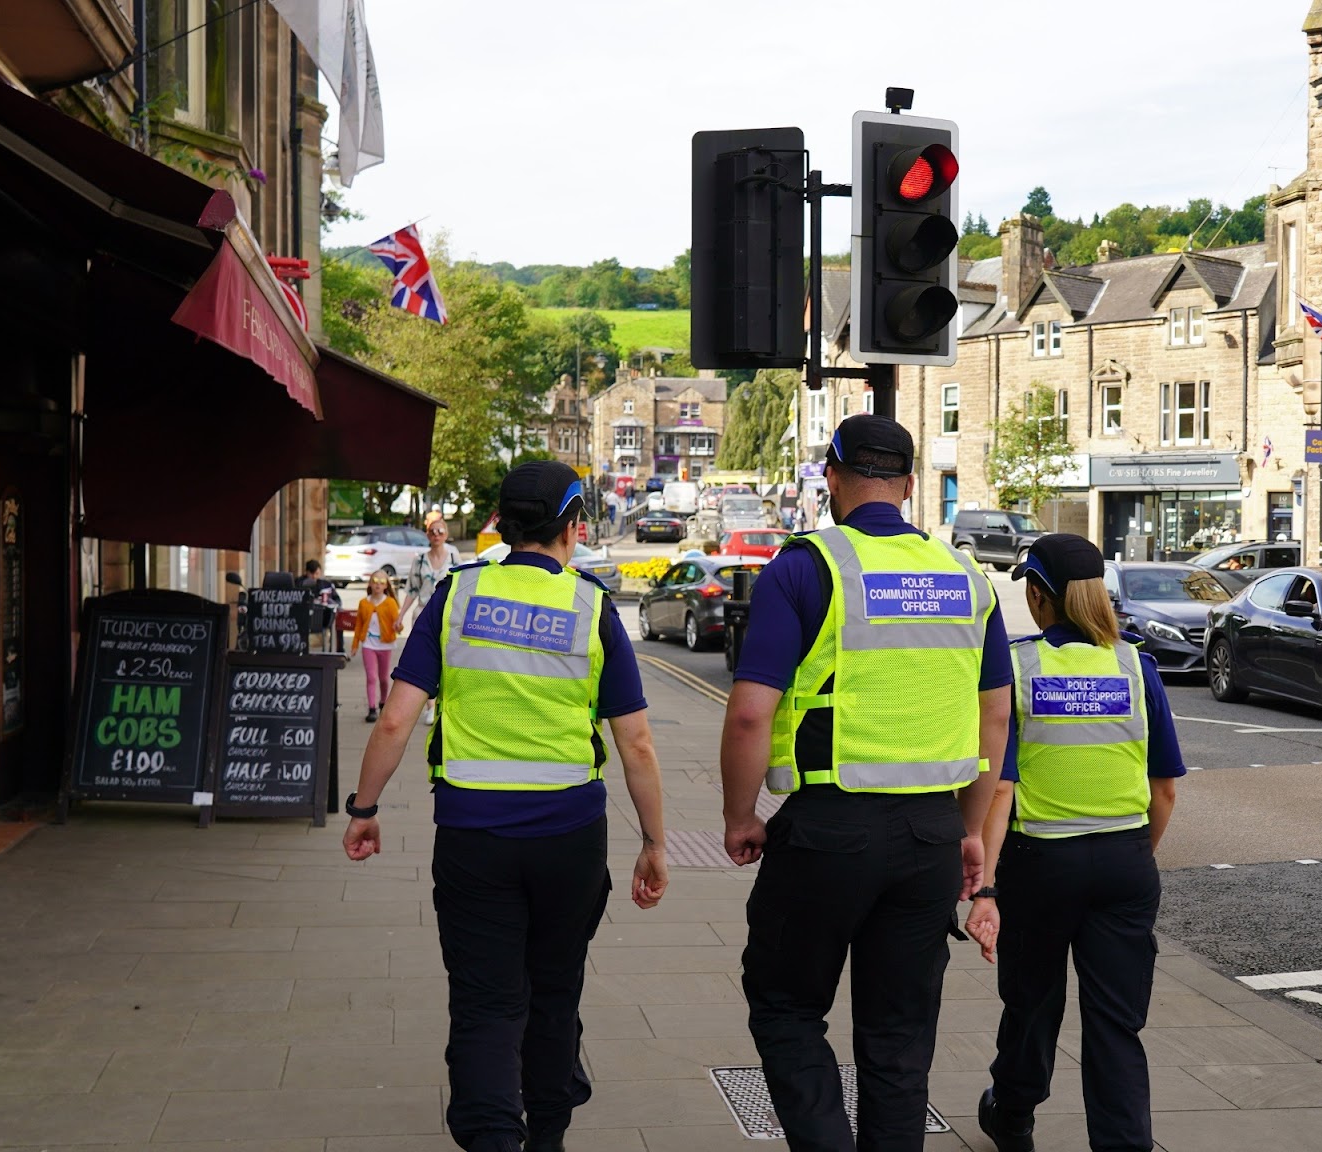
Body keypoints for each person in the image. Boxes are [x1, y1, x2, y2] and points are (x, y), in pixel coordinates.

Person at [342, 461, 670, 1152]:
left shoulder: (456, 598)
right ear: (573, 527)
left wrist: (363, 806)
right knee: (554, 993)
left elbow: (396, 721)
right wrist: (654, 841)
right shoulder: (591, 607)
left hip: (474, 838)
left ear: (502, 523)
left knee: (488, 1000)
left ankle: (495, 1135)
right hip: (570, 838)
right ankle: (545, 1133)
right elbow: (635, 742)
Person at [720, 414, 1013, 1152]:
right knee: (899, 1041)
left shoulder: (805, 566)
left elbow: (752, 715)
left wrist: (739, 817)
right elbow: (996, 722)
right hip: (930, 838)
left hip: (828, 829)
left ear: (833, 478)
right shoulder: (967, 578)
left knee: (785, 1006)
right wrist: (972, 832)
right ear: (911, 486)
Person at [964, 534, 1184, 1152]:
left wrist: (985, 885)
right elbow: (1163, 788)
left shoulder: (1021, 666)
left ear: (1039, 597)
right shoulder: (1135, 666)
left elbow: (1001, 790)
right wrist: (1138, 853)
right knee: (1117, 1024)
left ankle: (1012, 1116)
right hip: (1125, 861)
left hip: (1041, 867)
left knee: (1031, 1005)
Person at [407, 520, 464, 725]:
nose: (436, 534)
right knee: (425, 659)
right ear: (427, 534)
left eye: (440, 530)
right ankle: (430, 707)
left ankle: (444, 702)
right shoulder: (420, 560)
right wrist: (399, 615)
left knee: (447, 658)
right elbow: (412, 590)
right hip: (423, 612)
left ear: (446, 533)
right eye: (432, 531)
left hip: (448, 613)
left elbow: (463, 584)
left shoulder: (453, 555)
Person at [351, 570, 400, 722]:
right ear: (370, 583)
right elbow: (359, 624)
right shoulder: (364, 603)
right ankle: (372, 708)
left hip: (385, 645)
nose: (378, 584)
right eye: (375, 581)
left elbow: (396, 622)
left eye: (382, 582)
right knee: (371, 677)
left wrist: (398, 627)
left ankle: (383, 702)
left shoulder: (390, 603)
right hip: (368, 644)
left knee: (384, 678)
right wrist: (355, 644)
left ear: (386, 586)